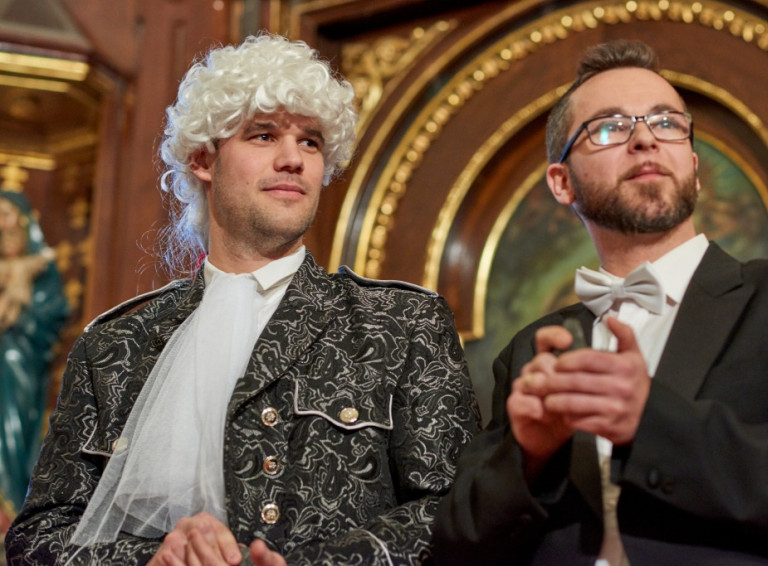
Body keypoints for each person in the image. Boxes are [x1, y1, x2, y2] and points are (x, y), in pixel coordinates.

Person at [6, 34, 480, 566]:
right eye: (264, 135)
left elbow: (458, 511)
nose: (293, 159)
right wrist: (152, 559)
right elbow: (37, 538)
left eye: (311, 142)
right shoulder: (114, 345)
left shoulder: (402, 322)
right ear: (203, 159)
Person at [433, 39, 768, 565]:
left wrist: (651, 423)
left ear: (693, 166)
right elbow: (457, 545)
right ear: (562, 183)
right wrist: (528, 457)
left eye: (666, 122)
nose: (646, 139)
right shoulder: (529, 350)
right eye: (609, 127)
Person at [0, 190, 68, 524]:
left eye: (7, 215)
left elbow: (53, 311)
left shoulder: (40, 269)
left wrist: (18, 318)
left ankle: (7, 498)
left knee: (10, 426)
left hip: (18, 361)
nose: (2, 225)